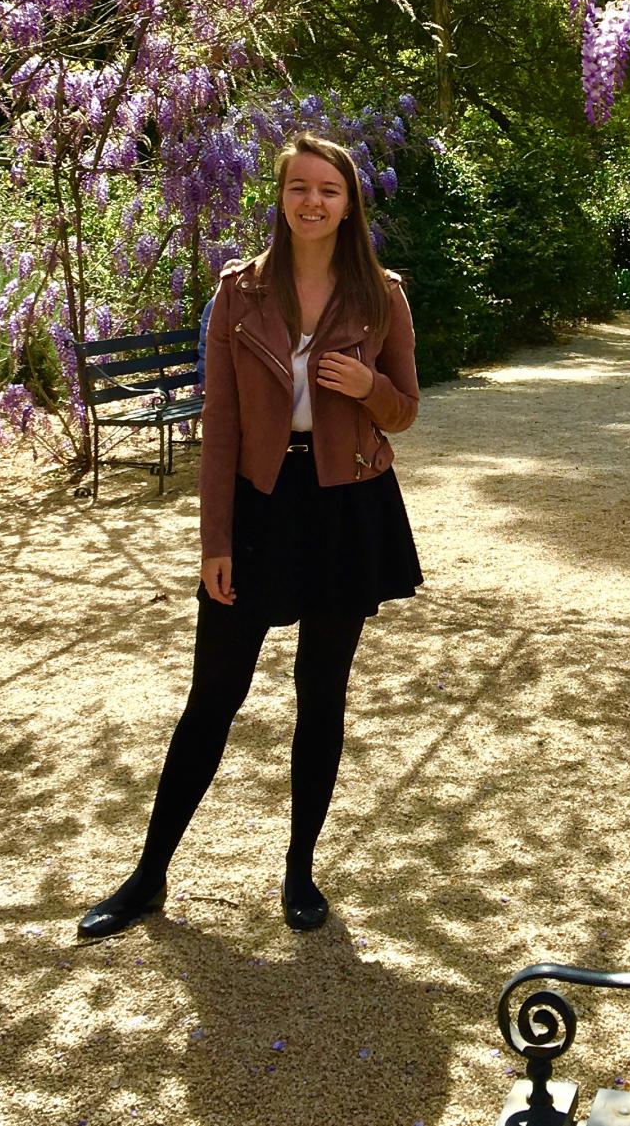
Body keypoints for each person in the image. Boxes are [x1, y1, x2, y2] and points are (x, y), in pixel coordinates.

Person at [77, 130, 423, 939]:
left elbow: (405, 408)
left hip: (347, 508)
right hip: (260, 502)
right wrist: (214, 543)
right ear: (279, 197)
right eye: (298, 187)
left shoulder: (383, 296)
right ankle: (148, 875)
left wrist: (368, 384)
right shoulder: (240, 293)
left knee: (321, 691)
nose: (312, 201)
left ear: (349, 204)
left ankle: (300, 871)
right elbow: (222, 426)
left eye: (328, 190)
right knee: (213, 696)